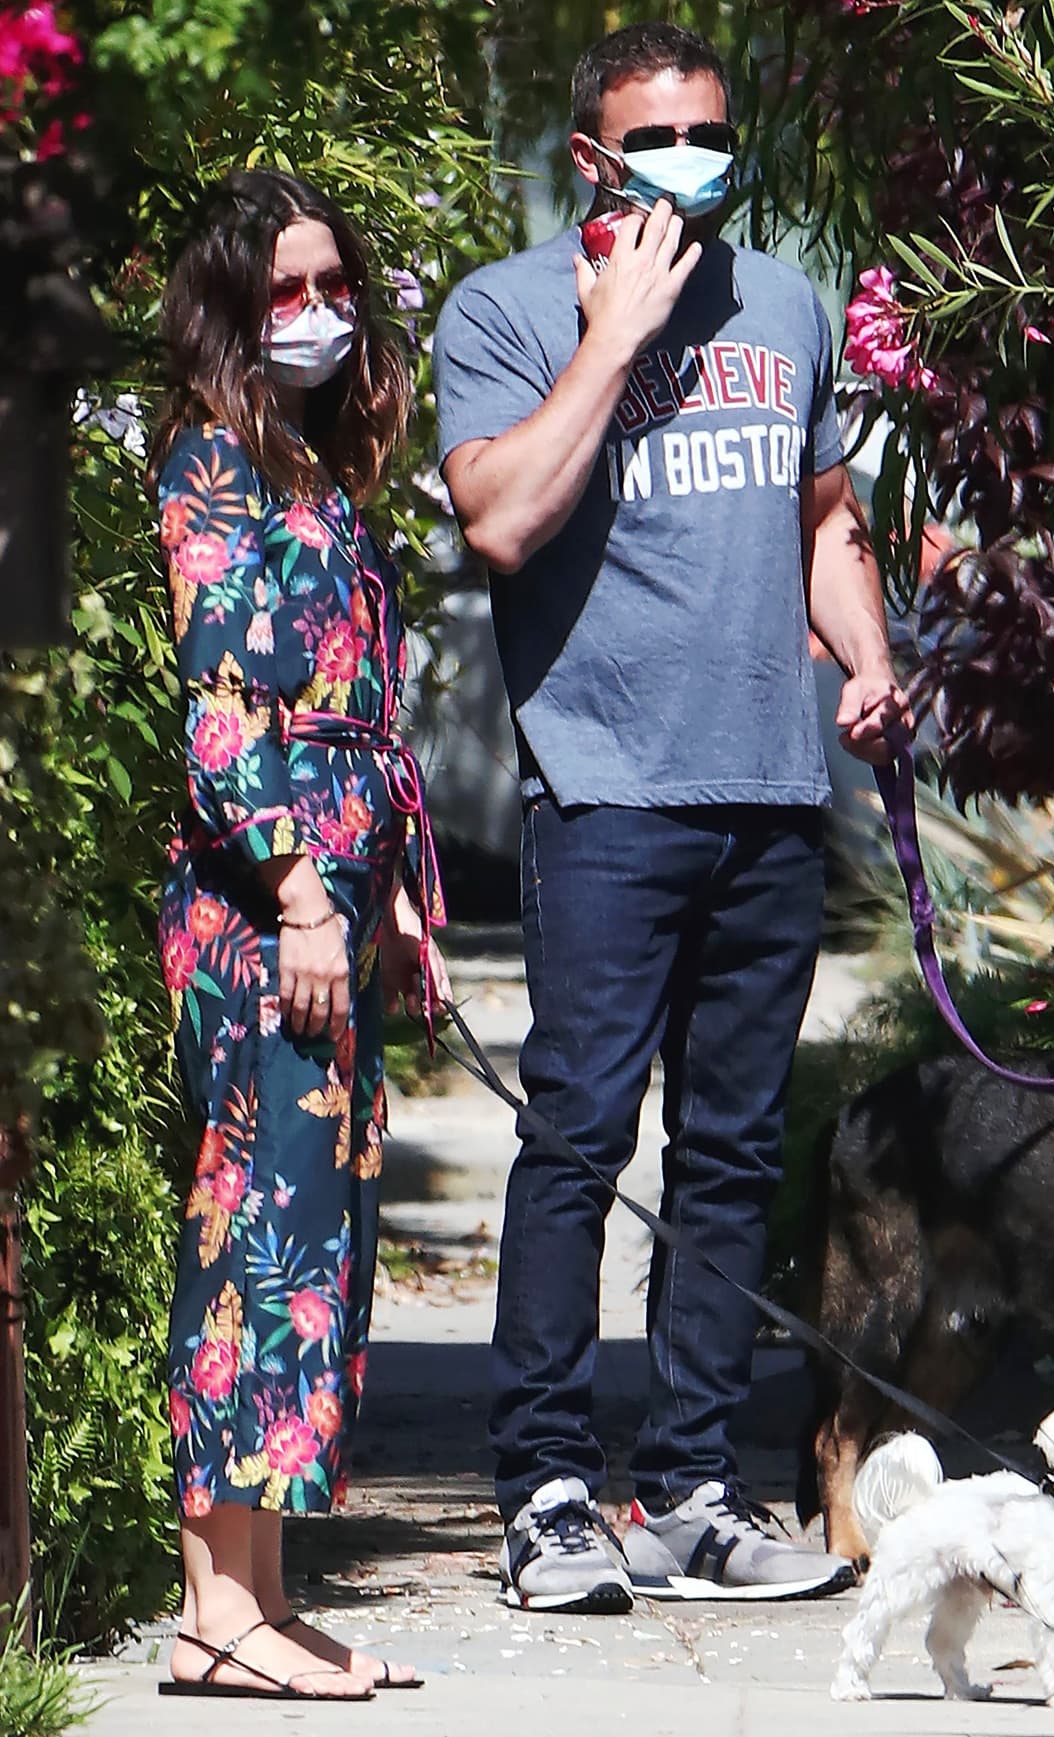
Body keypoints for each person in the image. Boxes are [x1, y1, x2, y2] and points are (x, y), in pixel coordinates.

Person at [433, 23, 910, 1614]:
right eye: (662, 137)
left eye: (715, 129)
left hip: (773, 788)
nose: (698, 159)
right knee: (578, 1138)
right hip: (610, 790)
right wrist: (616, 335)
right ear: (593, 159)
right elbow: (500, 517)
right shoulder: (502, 313)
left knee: (731, 1154)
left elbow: (822, 522)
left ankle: (692, 1487)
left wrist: (870, 661)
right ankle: (548, 1487)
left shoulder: (786, 303)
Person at [149, 167, 449, 1697]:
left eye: (336, 286)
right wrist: (306, 894)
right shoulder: (209, 465)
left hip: (335, 887)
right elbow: (222, 716)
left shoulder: (319, 470)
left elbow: (351, 709)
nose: (319, 315)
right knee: (250, 1230)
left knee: (310, 1242)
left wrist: (389, 887)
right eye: (286, 292)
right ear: (230, 307)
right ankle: (215, 1611)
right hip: (263, 904)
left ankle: (257, 1595)